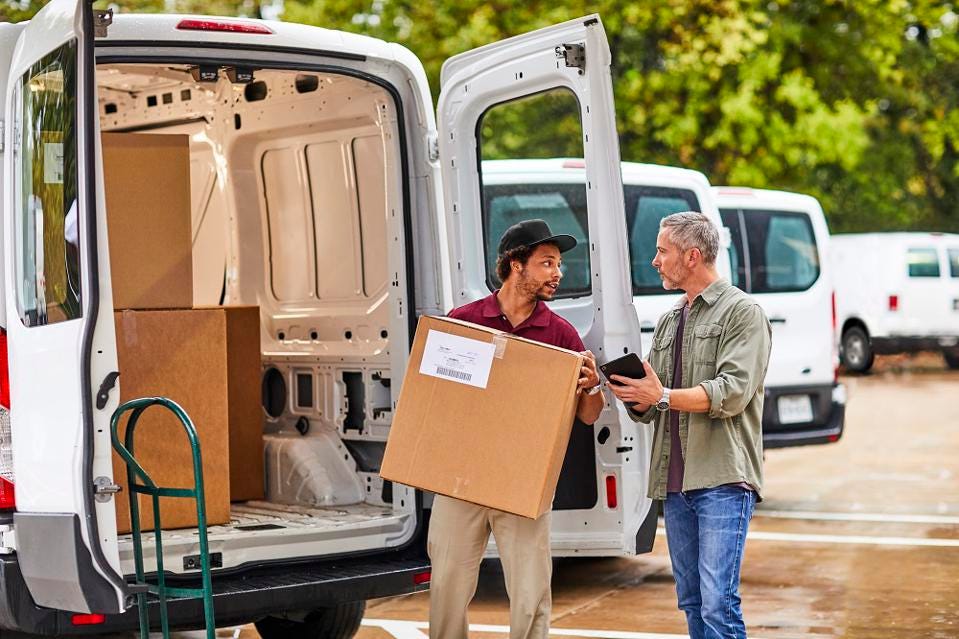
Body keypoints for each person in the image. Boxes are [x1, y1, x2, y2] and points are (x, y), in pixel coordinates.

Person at [427, 218, 604, 639]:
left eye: (558, 264)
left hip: (524, 483)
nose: (557, 274)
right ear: (515, 265)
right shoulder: (465, 321)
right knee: (447, 590)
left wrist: (593, 387)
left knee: (531, 595)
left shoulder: (562, 334)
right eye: (547, 263)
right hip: (461, 480)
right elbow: (436, 401)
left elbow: (588, 415)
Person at [607, 212, 771, 639]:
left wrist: (659, 396)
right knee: (693, 601)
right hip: (675, 488)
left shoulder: (743, 313)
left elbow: (732, 391)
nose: (655, 261)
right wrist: (625, 391)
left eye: (663, 251)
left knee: (719, 603)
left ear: (692, 256)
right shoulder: (668, 320)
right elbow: (652, 401)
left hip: (722, 480)